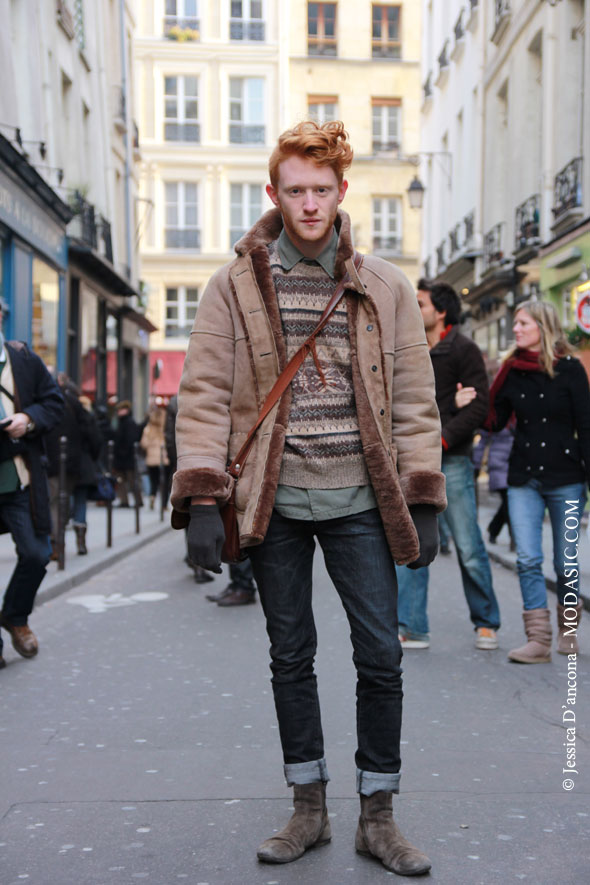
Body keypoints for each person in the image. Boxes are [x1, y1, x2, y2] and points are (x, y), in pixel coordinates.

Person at [170, 121, 446, 875]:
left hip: (361, 497)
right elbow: (203, 395)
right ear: (274, 194)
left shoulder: (383, 283)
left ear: (342, 192)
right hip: (275, 497)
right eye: (295, 190)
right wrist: (200, 497)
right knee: (290, 655)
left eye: (322, 189)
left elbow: (417, 397)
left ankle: (378, 815)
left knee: (380, 656)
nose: (310, 202)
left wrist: (424, 492)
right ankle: (309, 807)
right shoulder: (233, 285)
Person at [396, 280, 501, 651]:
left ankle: (486, 622)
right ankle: (411, 625)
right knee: (411, 545)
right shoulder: (406, 347)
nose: (413, 308)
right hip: (410, 463)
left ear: (440, 311)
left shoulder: (464, 349)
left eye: (420, 303)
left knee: (469, 546)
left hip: (451, 461)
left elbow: (479, 406)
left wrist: (442, 437)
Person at [483, 300, 589, 662]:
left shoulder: (571, 370)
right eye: (514, 323)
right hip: (523, 478)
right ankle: (539, 640)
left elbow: (587, 428)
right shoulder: (511, 371)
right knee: (528, 558)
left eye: (522, 323)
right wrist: (475, 401)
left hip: (567, 479)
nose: (515, 329)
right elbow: (495, 422)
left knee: (567, 562)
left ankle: (568, 629)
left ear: (542, 326)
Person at [0, 301, 64, 668]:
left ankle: (15, 615)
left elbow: (53, 404)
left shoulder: (23, 359)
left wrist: (28, 418)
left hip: (20, 477)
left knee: (39, 554)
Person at [165, 394, 214, 585]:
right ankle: (200, 562)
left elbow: (169, 436)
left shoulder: (174, 401)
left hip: (184, 462)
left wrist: (175, 464)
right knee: (202, 510)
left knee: (191, 511)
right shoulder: (203, 396)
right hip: (207, 460)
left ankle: (196, 558)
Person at [472, 425, 515, 546]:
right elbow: (482, 443)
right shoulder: (496, 416)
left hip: (515, 464)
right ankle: (514, 539)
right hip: (499, 466)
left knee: (509, 503)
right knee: (508, 502)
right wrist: (476, 466)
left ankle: (493, 529)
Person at [72, 395, 104, 554]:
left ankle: (57, 543)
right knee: (80, 501)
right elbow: (96, 442)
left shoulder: (65, 415)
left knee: (63, 500)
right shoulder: (87, 418)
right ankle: (80, 537)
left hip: (65, 465)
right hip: (84, 465)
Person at [112, 400, 142, 508]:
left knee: (131, 480)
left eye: (121, 409)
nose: (119, 412)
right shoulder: (121, 422)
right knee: (122, 480)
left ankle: (137, 501)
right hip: (122, 457)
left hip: (127, 457)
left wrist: (122, 452)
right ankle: (124, 501)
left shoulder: (128, 422)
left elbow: (131, 440)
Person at [140, 404, 170, 510]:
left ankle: (152, 496)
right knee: (165, 482)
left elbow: (143, 444)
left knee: (154, 480)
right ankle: (164, 505)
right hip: (164, 458)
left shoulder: (148, 429)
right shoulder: (165, 429)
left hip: (151, 459)